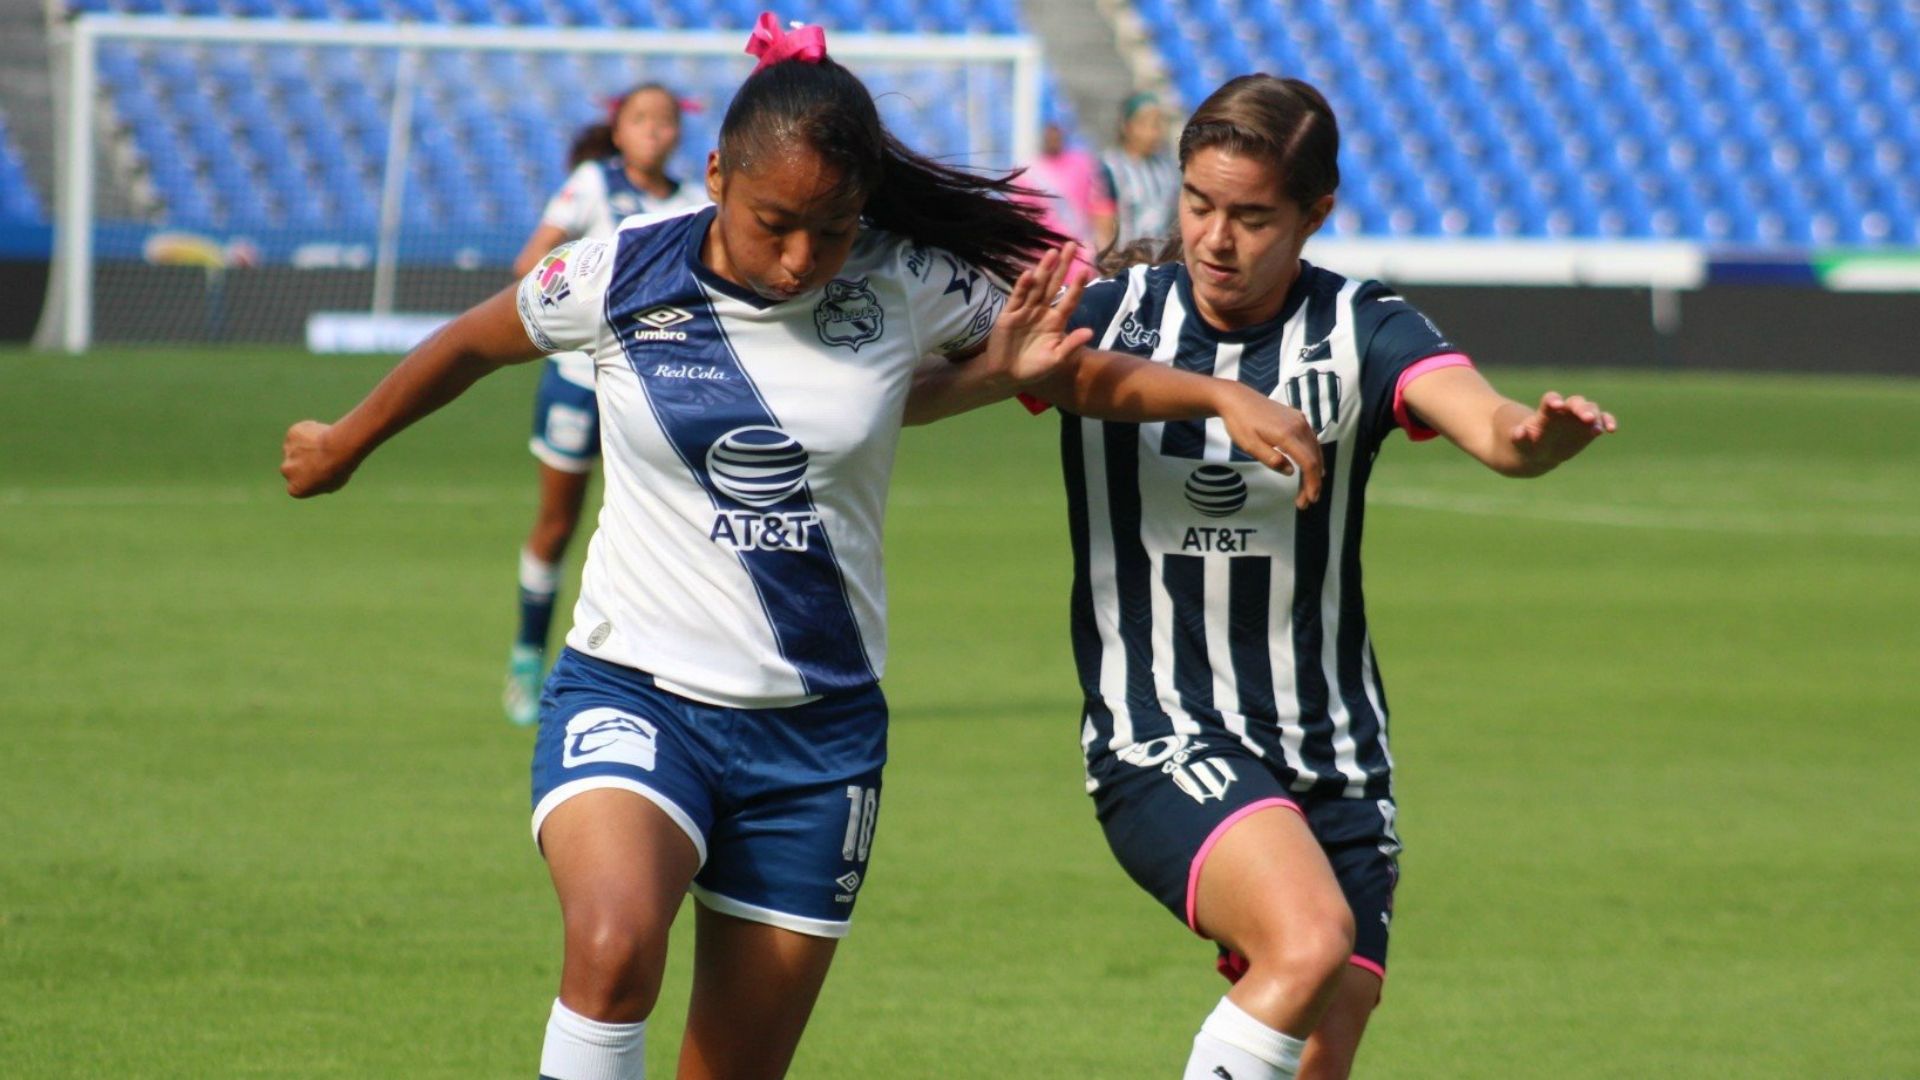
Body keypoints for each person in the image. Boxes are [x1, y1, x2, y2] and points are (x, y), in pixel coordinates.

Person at [279, 17, 1325, 1079]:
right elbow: (471, 342)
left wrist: (1215, 393)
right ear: (717, 172)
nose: (798, 258)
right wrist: (345, 440)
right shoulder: (621, 274)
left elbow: (1063, 372)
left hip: (817, 740)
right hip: (636, 691)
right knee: (611, 948)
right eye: (774, 222)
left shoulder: (902, 280)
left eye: (828, 230)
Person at [921, 73, 1617, 1080]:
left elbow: (1493, 427)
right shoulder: (1110, 316)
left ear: (1314, 215)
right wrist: (1209, 398)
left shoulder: (1362, 325)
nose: (1215, 238)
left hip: (1336, 753)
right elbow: (985, 386)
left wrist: (1537, 435)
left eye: (1252, 217)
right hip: (1161, 729)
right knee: (1305, 940)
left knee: (1317, 1036)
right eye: (1199, 204)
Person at [504, 82, 709, 727]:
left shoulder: (693, 204)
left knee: (666, 528)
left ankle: (669, 673)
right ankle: (525, 658)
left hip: (654, 392)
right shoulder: (592, 184)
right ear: (618, 131)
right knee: (558, 523)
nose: (655, 131)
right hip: (578, 383)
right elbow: (529, 264)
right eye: (642, 120)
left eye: (666, 121)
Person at [1100, 91, 1181, 251]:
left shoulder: (1169, 168)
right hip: (1126, 262)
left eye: (1158, 123)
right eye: (1145, 123)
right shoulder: (1110, 167)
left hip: (1161, 265)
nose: (1154, 131)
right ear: (1127, 126)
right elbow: (1103, 225)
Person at [1020, 121, 1114, 253]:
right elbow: (1022, 213)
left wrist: (1104, 243)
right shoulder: (1030, 171)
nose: (1053, 138)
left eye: (1056, 134)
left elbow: (1100, 206)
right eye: (1049, 134)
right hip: (1042, 251)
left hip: (1080, 249)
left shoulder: (1083, 164)